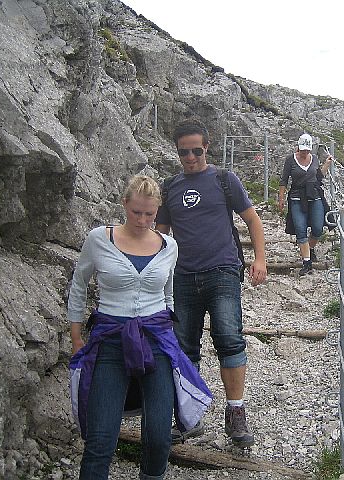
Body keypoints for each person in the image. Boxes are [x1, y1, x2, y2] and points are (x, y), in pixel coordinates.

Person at [68, 175, 212, 480]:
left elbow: (168, 292)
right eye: (136, 212)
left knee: (159, 438)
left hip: (156, 340)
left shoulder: (168, 245)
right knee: (100, 439)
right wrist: (76, 335)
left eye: (150, 214)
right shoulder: (98, 239)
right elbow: (79, 284)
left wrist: (169, 332)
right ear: (124, 205)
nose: (143, 220)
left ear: (158, 210)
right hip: (110, 340)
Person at [155, 117, 267, 448]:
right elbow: (160, 234)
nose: (190, 158)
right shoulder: (169, 187)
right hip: (183, 277)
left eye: (196, 151)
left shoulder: (224, 179)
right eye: (183, 152)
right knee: (184, 346)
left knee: (229, 339)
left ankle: (236, 414)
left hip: (223, 271)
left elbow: (252, 220)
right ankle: (189, 417)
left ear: (207, 147)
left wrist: (260, 260)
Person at [278, 133, 333, 275]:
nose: (305, 152)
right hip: (296, 197)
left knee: (318, 227)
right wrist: (281, 198)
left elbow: (318, 177)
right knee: (300, 229)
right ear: (298, 147)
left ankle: (310, 249)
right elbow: (284, 180)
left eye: (307, 150)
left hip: (314, 196)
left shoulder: (314, 159)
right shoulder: (290, 160)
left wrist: (327, 164)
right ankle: (307, 262)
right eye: (303, 150)